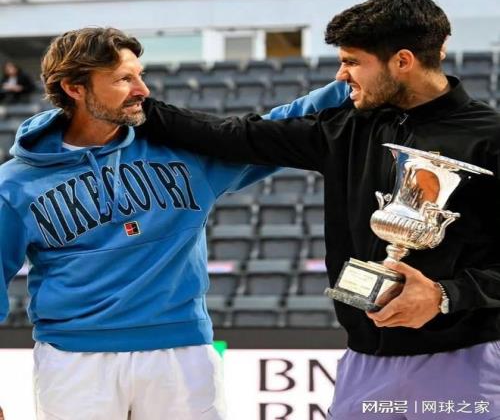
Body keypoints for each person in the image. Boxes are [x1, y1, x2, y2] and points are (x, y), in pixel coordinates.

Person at [141, 0, 500, 419]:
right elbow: (235, 135)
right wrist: (138, 107)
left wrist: (445, 295)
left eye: (352, 61)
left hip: (468, 359)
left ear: (402, 61)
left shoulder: (490, 138)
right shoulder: (346, 128)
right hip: (364, 363)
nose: (341, 74)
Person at [0, 27, 349, 420]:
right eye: (123, 79)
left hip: (181, 351)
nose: (142, 90)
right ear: (74, 88)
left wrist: (345, 87)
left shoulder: (185, 152)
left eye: (140, 75)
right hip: (74, 359)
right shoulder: (15, 184)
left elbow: (273, 130)